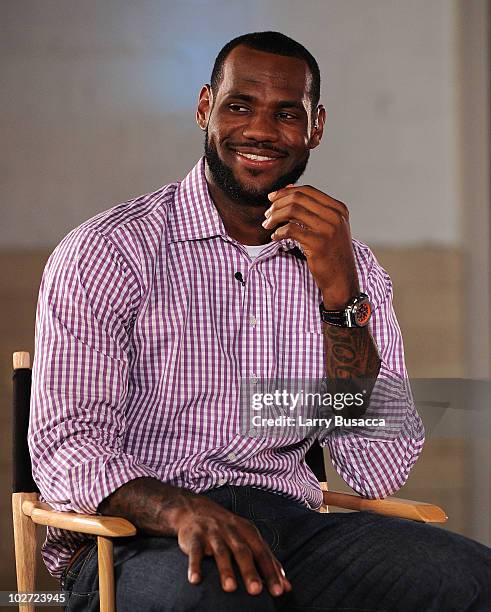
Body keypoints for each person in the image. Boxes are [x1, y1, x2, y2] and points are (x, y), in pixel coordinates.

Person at [29, 31, 491, 611]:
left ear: (315, 128)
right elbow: (67, 445)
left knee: (473, 580)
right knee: (220, 599)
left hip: (292, 529)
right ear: (205, 109)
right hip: (137, 539)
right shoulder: (111, 250)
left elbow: (379, 469)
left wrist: (340, 294)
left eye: (287, 113)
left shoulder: (349, 264)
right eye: (239, 105)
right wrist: (184, 510)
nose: (261, 131)